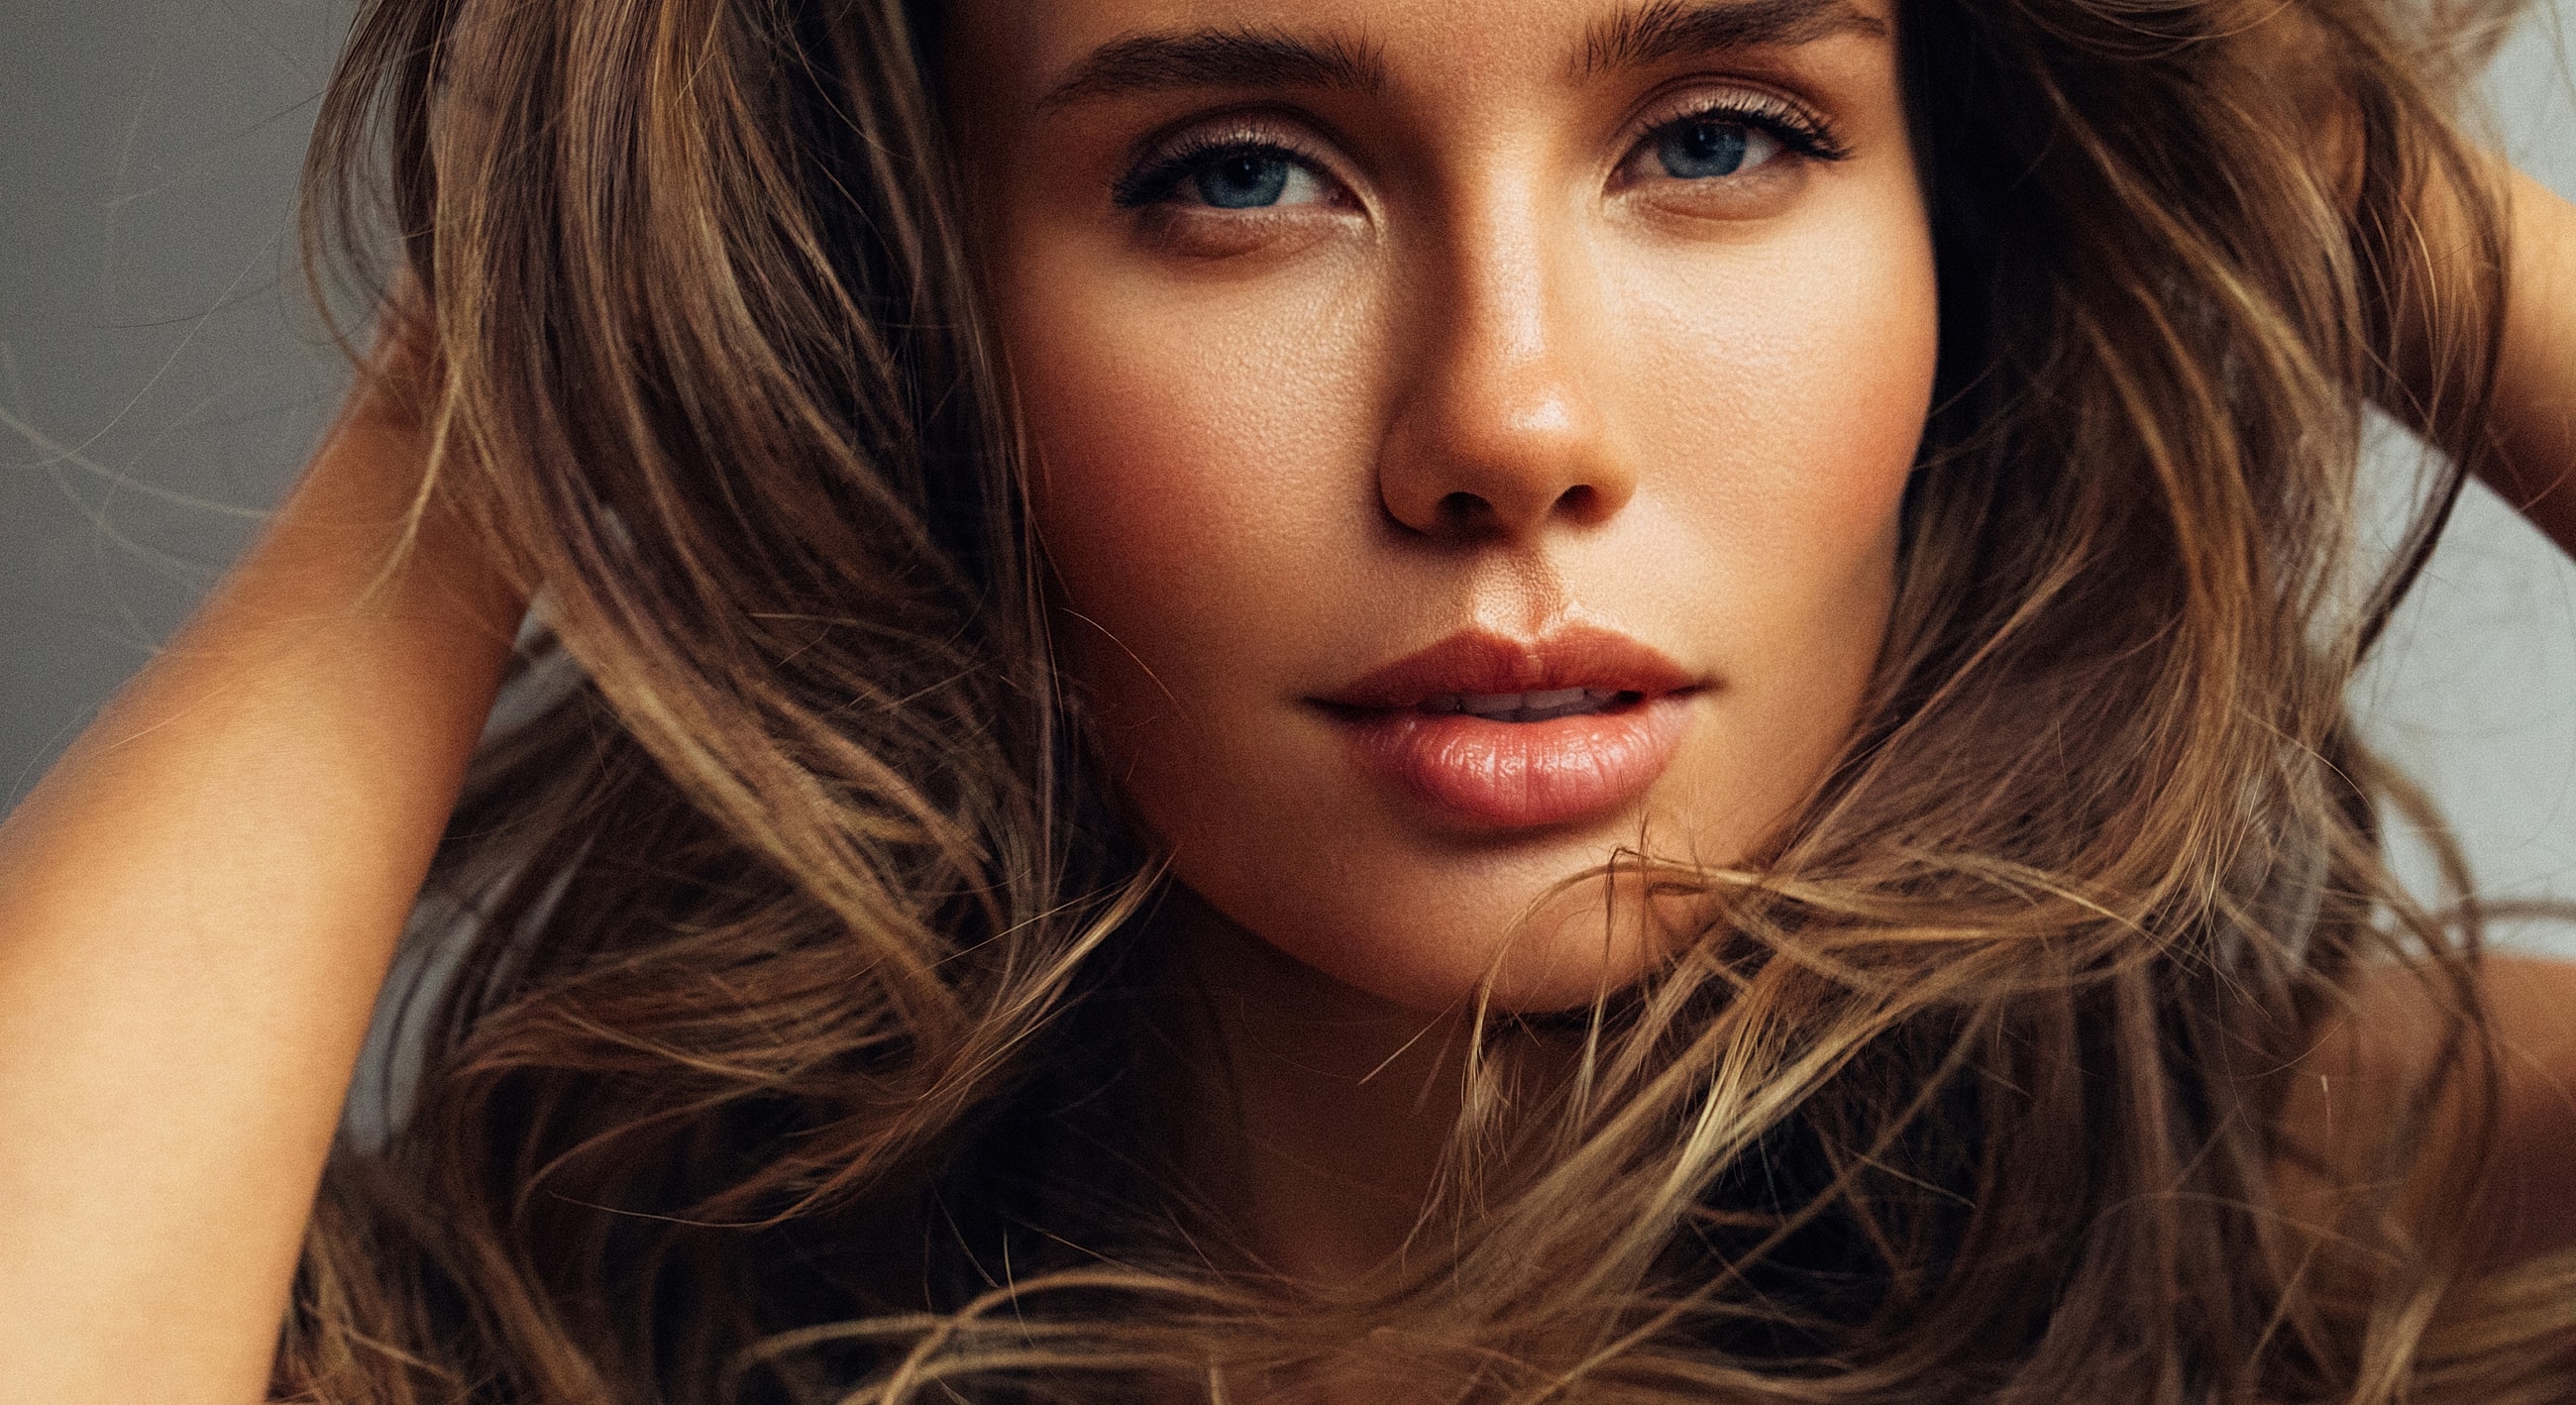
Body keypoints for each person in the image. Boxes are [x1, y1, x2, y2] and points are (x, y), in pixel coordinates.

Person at [3, 0, 2574, 1397]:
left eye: (1715, 131)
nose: (1511, 424)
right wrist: (557, 323)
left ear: (1965, 237)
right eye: (1238, 169)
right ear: (893, 298)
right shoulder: (540, 1344)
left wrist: (2305, 143)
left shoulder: (2364, 1232)